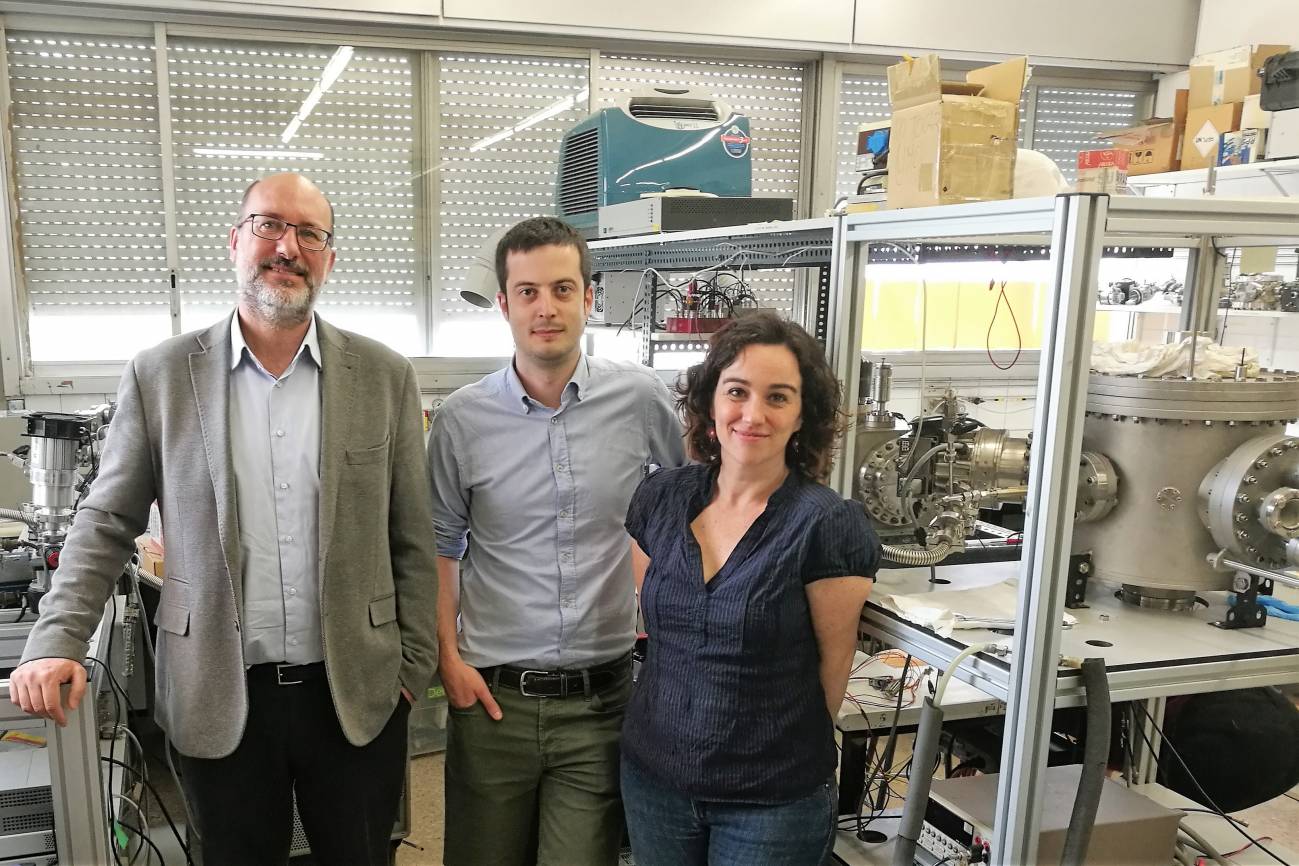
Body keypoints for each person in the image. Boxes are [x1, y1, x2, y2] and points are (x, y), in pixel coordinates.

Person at [8, 172, 438, 866]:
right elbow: (106, 520)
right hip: (218, 690)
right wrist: (55, 638)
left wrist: (411, 668)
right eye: (269, 225)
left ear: (329, 256)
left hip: (356, 690)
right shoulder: (162, 374)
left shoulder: (384, 375)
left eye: (310, 234)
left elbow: (413, 536)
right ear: (235, 241)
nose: (287, 247)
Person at [428, 216, 686, 866]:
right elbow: (438, 547)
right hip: (493, 704)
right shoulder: (461, 421)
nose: (546, 308)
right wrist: (449, 664)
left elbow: (688, 516)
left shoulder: (640, 401)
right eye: (528, 292)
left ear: (588, 298)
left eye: (562, 289)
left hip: (601, 702)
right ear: (504, 304)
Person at [621, 312, 880, 866]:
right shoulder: (659, 500)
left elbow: (833, 669)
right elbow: (661, 628)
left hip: (772, 800)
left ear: (801, 416)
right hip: (655, 778)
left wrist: (771, 750)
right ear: (711, 400)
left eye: (778, 397)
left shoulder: (827, 525)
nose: (753, 414)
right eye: (737, 391)